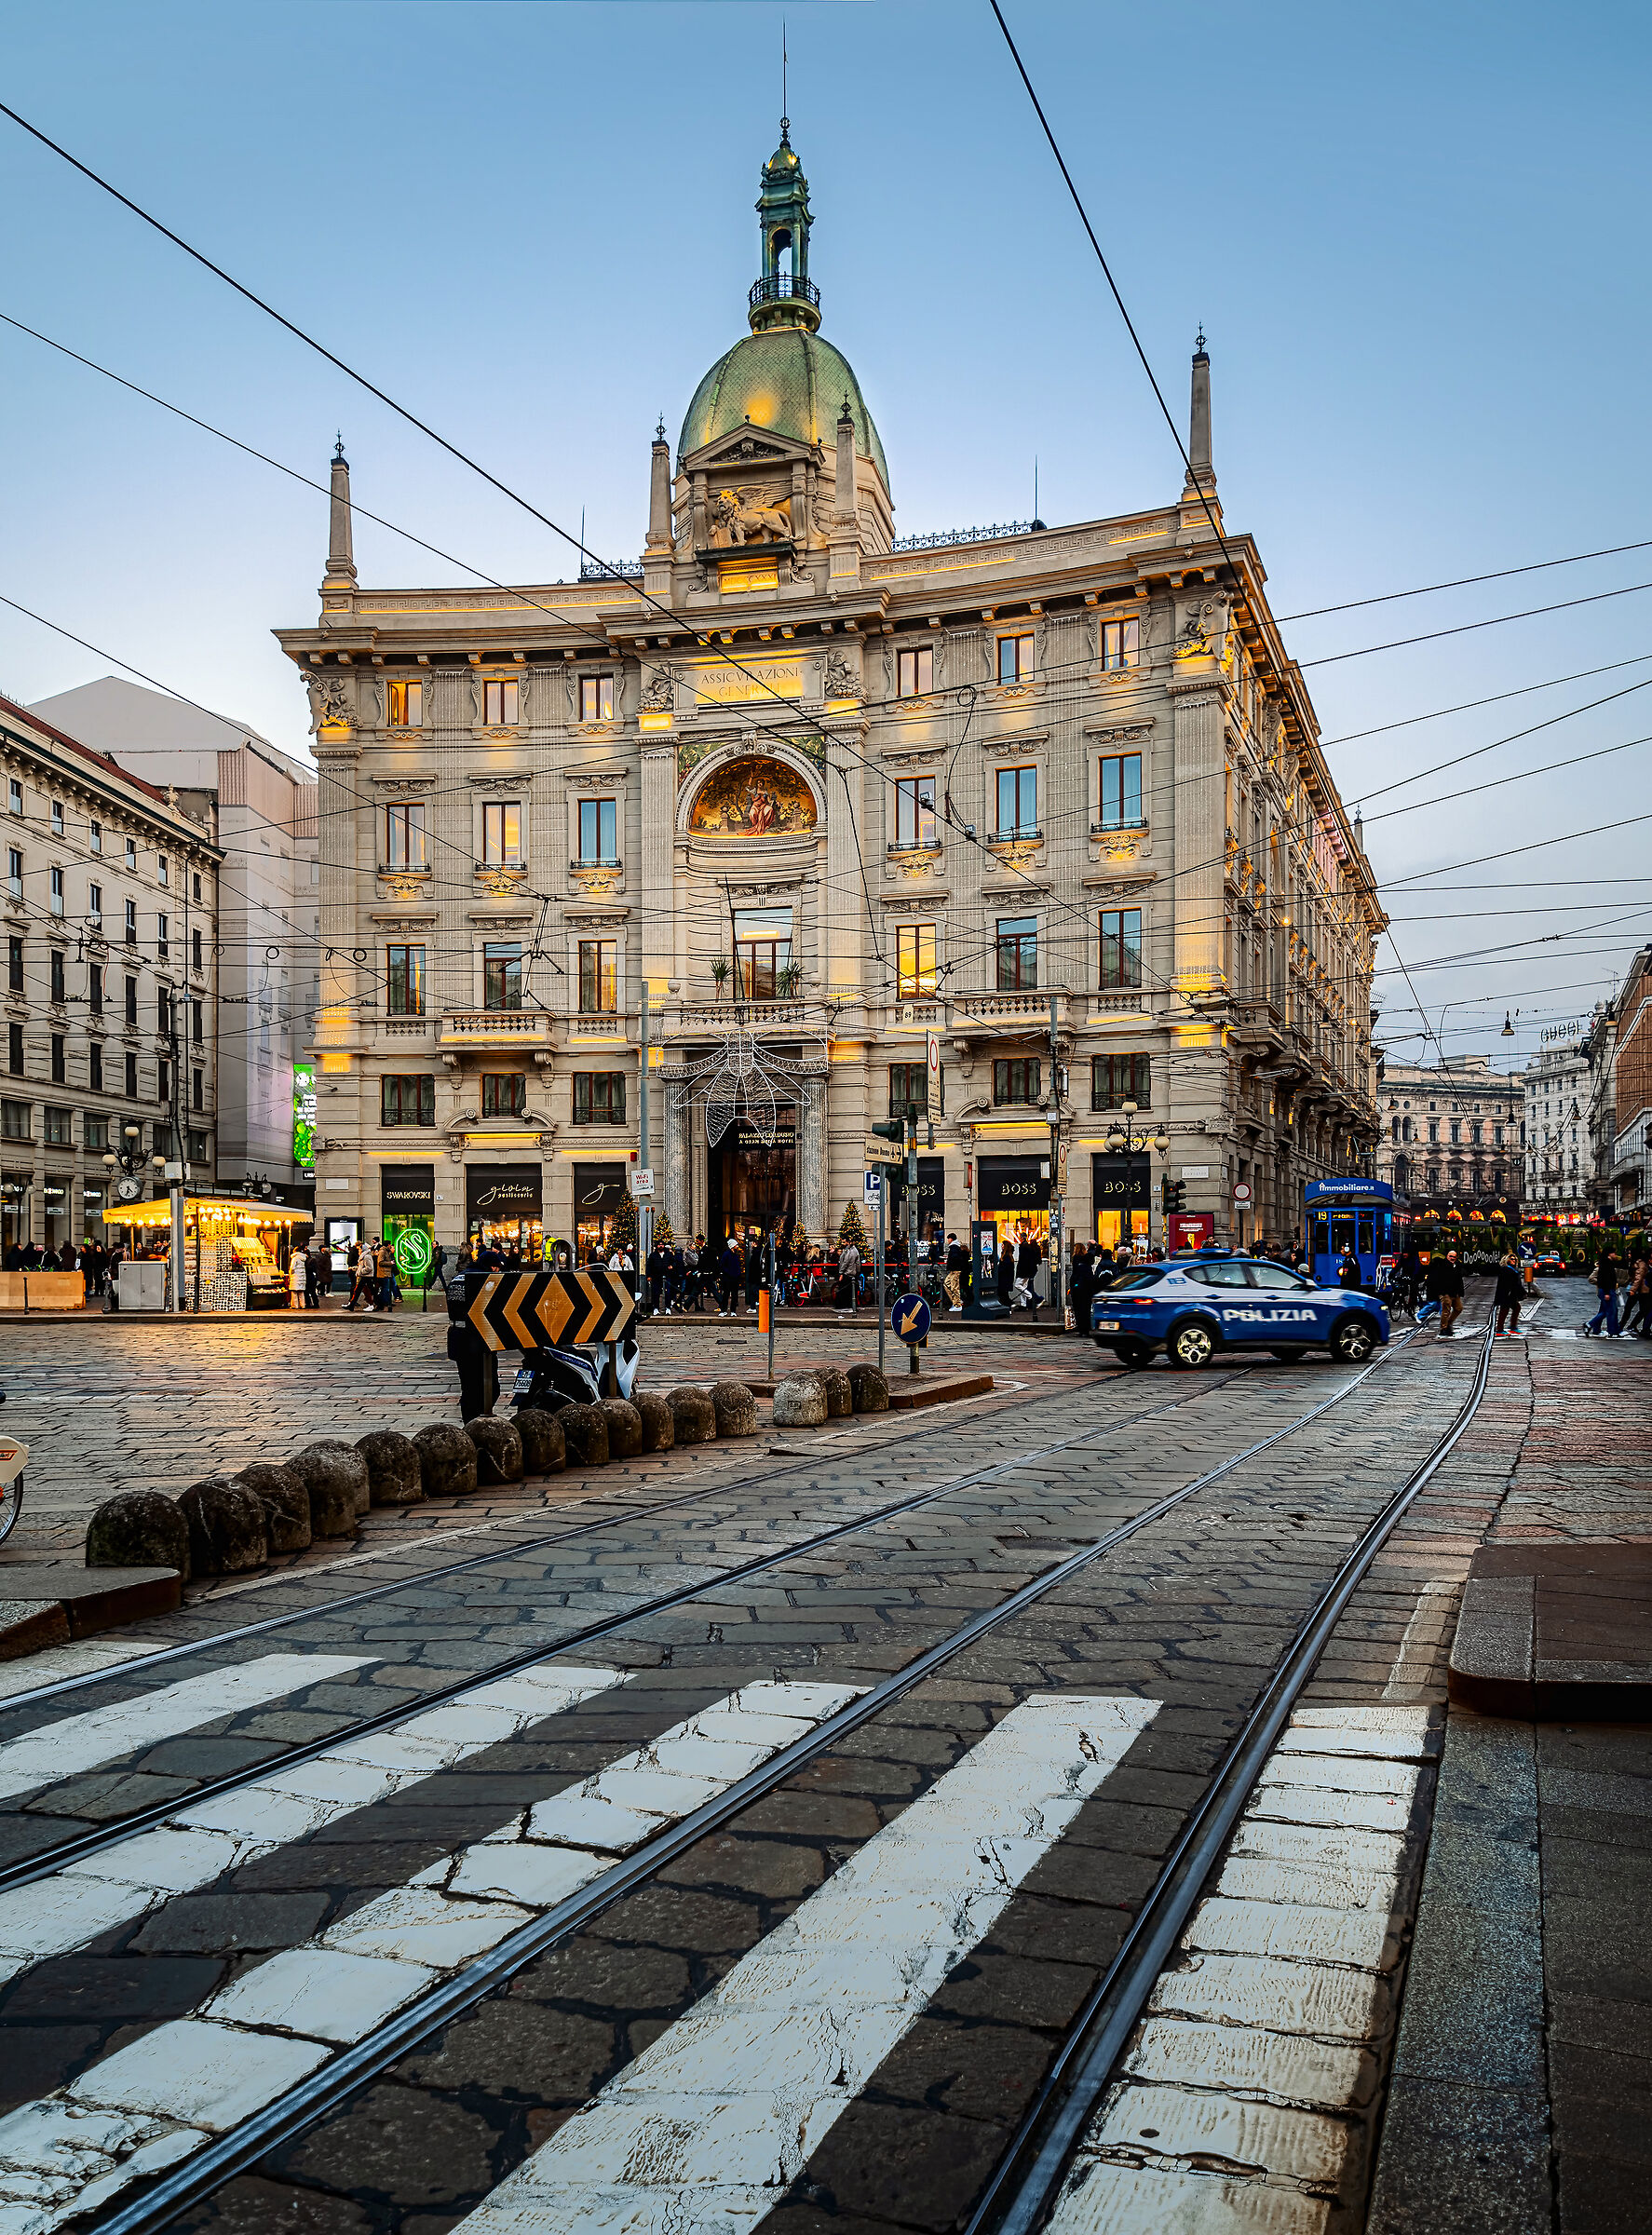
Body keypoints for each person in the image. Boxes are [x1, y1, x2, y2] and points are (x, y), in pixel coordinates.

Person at [1582, 1242, 1621, 1336]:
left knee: (1606, 1311)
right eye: (1614, 1253)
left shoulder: (1606, 1263)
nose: (1615, 1255)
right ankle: (1611, 1331)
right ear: (1609, 1254)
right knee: (1611, 1312)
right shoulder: (1606, 1264)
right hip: (1607, 1290)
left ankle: (1595, 1328)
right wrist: (1607, 1292)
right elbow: (1605, 1279)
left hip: (1606, 1290)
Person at [1426, 1248, 1464, 1337]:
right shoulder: (1441, 1265)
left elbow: (1459, 1279)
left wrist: (1460, 1291)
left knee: (1459, 1308)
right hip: (1445, 1291)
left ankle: (1448, 1324)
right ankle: (1444, 1328)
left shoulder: (1457, 1265)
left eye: (1454, 1257)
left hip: (1455, 1292)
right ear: (1447, 1257)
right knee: (1446, 1309)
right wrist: (1440, 1292)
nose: (1452, 1258)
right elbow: (1436, 1279)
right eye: (1450, 1256)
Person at [1493, 1248, 1523, 1338]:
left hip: (1511, 1295)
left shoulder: (1513, 1270)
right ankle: (1500, 1330)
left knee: (1517, 1308)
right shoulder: (1506, 1270)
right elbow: (1507, 1284)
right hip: (1506, 1295)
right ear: (1507, 1260)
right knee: (1504, 1311)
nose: (1514, 1260)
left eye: (1515, 1259)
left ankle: (1513, 1326)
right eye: (1512, 1259)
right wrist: (1509, 1293)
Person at [1068, 1241, 1095, 1336]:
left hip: (1078, 1288)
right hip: (1087, 1288)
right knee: (1086, 1310)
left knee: (1078, 1310)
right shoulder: (1088, 1260)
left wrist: (1073, 1286)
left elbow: (1075, 1274)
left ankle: (1081, 1330)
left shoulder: (1076, 1259)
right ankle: (1086, 1330)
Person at [1016, 1231, 1043, 1319]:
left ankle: (1031, 1297)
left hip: (1023, 1271)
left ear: (1022, 1238)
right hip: (1028, 1271)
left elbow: (1023, 1260)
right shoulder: (1028, 1247)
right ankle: (1023, 1304)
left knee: (1018, 1285)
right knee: (1023, 1286)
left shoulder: (1024, 1247)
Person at [838, 1230, 861, 1314]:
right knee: (850, 1291)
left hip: (848, 1273)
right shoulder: (850, 1250)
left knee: (846, 1291)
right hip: (851, 1272)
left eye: (844, 1242)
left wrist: (841, 1273)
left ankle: (846, 1306)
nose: (843, 1244)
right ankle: (848, 1305)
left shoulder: (851, 1251)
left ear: (849, 1242)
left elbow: (846, 1262)